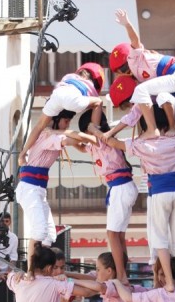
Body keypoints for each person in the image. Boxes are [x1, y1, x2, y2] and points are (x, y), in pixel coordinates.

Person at [105, 113, 175, 292]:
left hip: (159, 192)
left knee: (160, 239)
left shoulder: (143, 144)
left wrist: (115, 128)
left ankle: (170, 282)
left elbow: (111, 142)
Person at [15, 111, 93, 264]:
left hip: (38, 189)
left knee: (50, 235)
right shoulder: (48, 136)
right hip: (30, 188)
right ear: (57, 120)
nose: (67, 125)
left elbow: (81, 144)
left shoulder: (53, 134)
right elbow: (75, 139)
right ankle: (31, 271)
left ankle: (41, 266)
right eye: (66, 121)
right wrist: (60, 132)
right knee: (39, 231)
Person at [110, 10, 175, 139]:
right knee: (157, 95)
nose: (119, 76)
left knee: (141, 90)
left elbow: (135, 40)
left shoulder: (133, 60)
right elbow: (134, 113)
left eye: (119, 72)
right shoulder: (143, 79)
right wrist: (112, 132)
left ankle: (152, 129)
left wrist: (127, 24)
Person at [77, 110, 138, 284]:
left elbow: (96, 133)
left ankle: (121, 275)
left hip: (120, 187)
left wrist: (91, 127)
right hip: (122, 187)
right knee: (118, 235)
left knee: (112, 234)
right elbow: (82, 147)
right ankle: (122, 273)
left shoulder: (102, 139)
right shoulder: (96, 144)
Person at [19, 64, 105, 168]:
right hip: (72, 99)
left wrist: (23, 154)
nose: (67, 125)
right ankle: (94, 134)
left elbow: (38, 128)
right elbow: (94, 106)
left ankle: (22, 153)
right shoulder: (91, 87)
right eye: (67, 121)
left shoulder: (69, 77)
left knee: (39, 125)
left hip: (57, 95)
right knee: (99, 102)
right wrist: (93, 134)